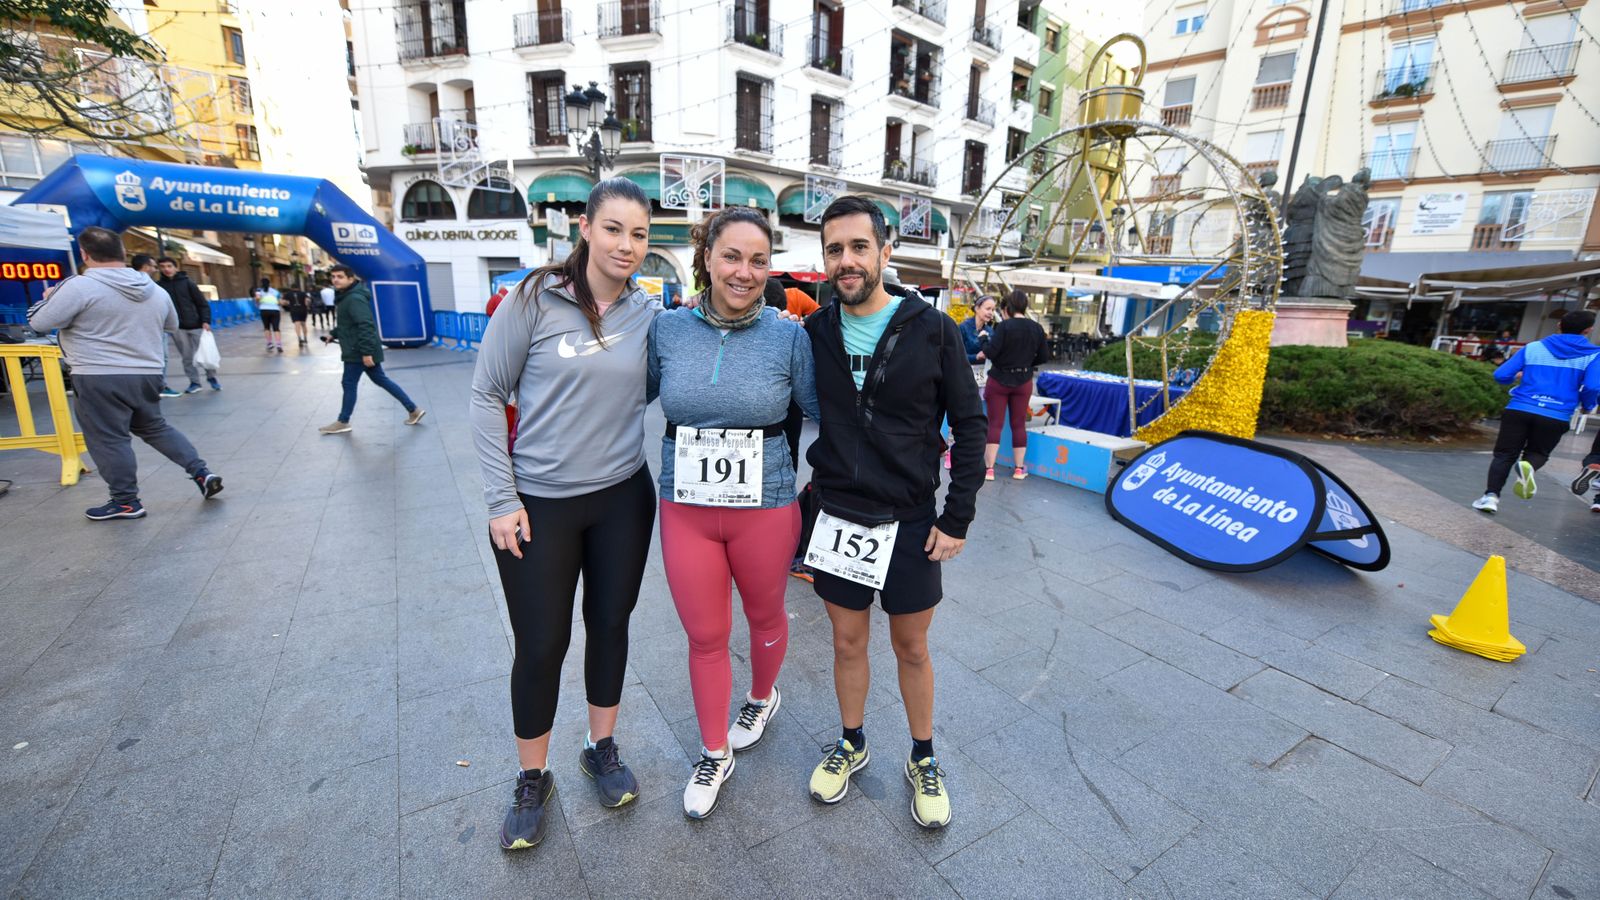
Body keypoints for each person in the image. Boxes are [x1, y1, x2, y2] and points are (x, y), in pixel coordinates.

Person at [470, 178, 660, 852]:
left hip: (622, 499)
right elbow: (487, 393)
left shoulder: (647, 313)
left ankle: (599, 748)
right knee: (543, 644)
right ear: (586, 227)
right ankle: (532, 777)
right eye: (613, 229)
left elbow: (679, 377)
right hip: (540, 505)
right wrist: (502, 498)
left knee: (610, 625)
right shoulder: (532, 298)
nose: (626, 245)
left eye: (639, 234)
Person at [800, 196, 986, 829]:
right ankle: (851, 742)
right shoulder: (816, 331)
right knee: (848, 641)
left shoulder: (932, 328)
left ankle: (923, 756)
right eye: (834, 249)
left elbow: (969, 424)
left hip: (909, 519)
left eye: (858, 247)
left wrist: (956, 517)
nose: (846, 261)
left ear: (885, 251)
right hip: (838, 515)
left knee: (911, 646)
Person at [649, 207, 819, 819]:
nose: (744, 272)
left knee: (765, 611)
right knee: (705, 633)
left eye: (757, 260)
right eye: (731, 256)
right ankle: (713, 751)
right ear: (707, 257)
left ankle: (762, 695)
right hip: (686, 506)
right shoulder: (667, 330)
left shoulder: (788, 336)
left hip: (765, 505)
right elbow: (621, 393)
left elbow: (823, 411)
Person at [27, 228, 223, 520]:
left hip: (98, 374)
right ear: (123, 254)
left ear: (84, 254)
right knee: (155, 427)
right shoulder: (154, 289)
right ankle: (201, 472)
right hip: (147, 372)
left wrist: (49, 297)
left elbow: (39, 322)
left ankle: (126, 501)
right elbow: (172, 323)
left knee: (109, 438)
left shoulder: (79, 287)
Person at [1472, 310, 1600, 514]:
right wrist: (1587, 405)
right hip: (1556, 414)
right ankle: (1529, 468)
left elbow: (1501, 374)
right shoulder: (1594, 355)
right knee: (1538, 453)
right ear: (1588, 330)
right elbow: (1593, 387)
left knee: (1504, 455)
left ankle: (1490, 497)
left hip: (1520, 408)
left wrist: (1513, 379)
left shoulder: (1533, 347)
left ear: (1559, 325)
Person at [317, 265, 426, 434]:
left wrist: (367, 353)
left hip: (358, 351)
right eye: (333, 277)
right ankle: (413, 410)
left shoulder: (354, 299)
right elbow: (348, 325)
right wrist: (333, 334)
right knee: (381, 380)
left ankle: (343, 421)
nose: (335, 280)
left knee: (349, 383)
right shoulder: (347, 297)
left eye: (340, 276)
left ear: (350, 279)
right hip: (360, 348)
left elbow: (366, 325)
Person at [979, 290, 1050, 481]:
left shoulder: (1004, 327)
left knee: (995, 423)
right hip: (1023, 382)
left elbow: (991, 353)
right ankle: (1019, 469)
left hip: (999, 380)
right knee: (1019, 424)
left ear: (1007, 308)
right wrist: (1026, 363)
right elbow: (1044, 357)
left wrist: (984, 338)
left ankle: (989, 470)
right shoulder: (1036, 328)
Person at [155, 257, 220, 393]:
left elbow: (201, 303)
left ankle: (212, 378)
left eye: (169, 266)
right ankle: (194, 382)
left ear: (175, 267)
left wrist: (206, 320)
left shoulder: (187, 282)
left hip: (197, 325)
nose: (166, 269)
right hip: (177, 327)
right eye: (163, 267)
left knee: (205, 352)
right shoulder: (159, 286)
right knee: (187, 357)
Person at [131, 255, 179, 399]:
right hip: (156, 328)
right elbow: (172, 324)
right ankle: (159, 386)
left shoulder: (121, 284)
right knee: (160, 358)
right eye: (153, 266)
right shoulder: (156, 288)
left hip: (134, 331)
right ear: (145, 267)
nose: (155, 269)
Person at [959, 295, 998, 370]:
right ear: (977, 308)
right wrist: (976, 357)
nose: (991, 313)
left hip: (984, 374)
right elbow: (956, 355)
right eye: (988, 309)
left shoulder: (990, 331)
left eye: (993, 310)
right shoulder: (963, 327)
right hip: (965, 372)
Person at [254, 277, 283, 353]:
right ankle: (279, 344)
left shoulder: (259, 291)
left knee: (266, 327)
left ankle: (269, 343)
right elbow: (280, 302)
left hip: (264, 310)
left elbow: (257, 299)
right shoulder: (275, 291)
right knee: (276, 328)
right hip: (275, 310)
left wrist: (257, 302)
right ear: (269, 283)